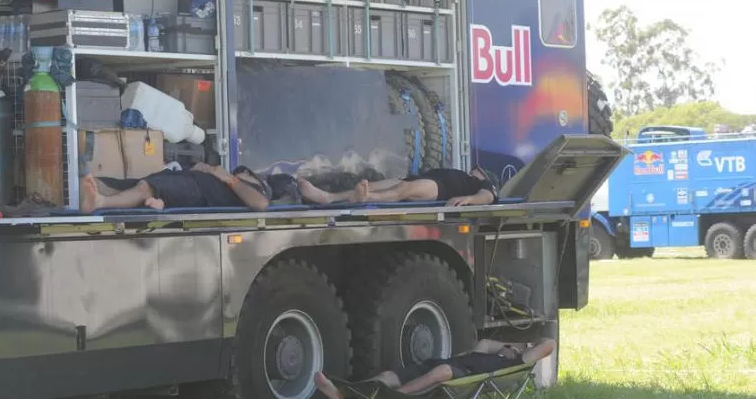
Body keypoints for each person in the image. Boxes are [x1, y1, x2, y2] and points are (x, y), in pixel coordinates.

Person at [314, 337, 556, 399]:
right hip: (442, 365)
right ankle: (343, 394)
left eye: (519, 348)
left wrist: (522, 349)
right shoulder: (485, 350)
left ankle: (400, 397)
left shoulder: (512, 364)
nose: (510, 349)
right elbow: (486, 342)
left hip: (464, 377)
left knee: (443, 370)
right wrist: (506, 346)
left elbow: (548, 344)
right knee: (388, 376)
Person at [80, 163, 272, 212]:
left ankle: (100, 202)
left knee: (146, 187)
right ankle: (90, 193)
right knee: (127, 186)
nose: (243, 171)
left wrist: (227, 177)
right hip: (188, 177)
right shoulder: (242, 176)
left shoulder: (261, 188)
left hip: (198, 190)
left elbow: (261, 204)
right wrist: (205, 168)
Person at [297, 166, 499, 206]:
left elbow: (487, 197)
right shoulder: (464, 175)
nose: (474, 169)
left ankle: (366, 198)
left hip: (442, 189)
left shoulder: (482, 183)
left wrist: (469, 200)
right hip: (425, 179)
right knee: (375, 184)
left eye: (477, 169)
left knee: (404, 190)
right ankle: (328, 197)